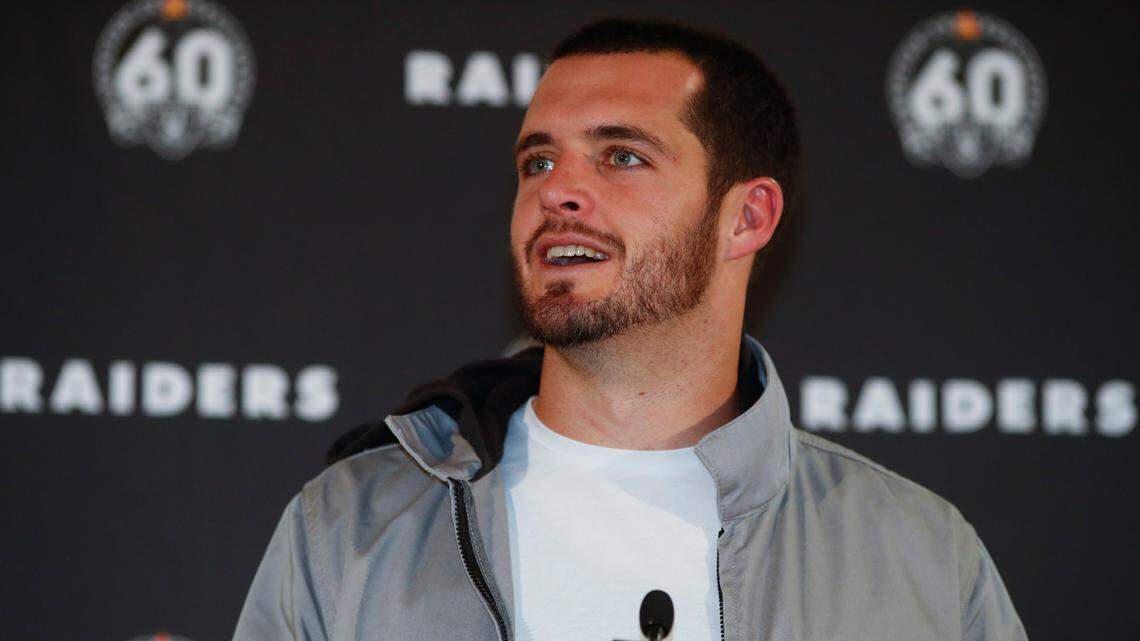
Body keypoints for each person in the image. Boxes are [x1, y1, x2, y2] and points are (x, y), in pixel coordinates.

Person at [233, 18, 1026, 641]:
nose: (559, 193)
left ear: (746, 217)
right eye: (538, 163)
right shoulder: (349, 527)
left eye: (622, 156)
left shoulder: (919, 555)